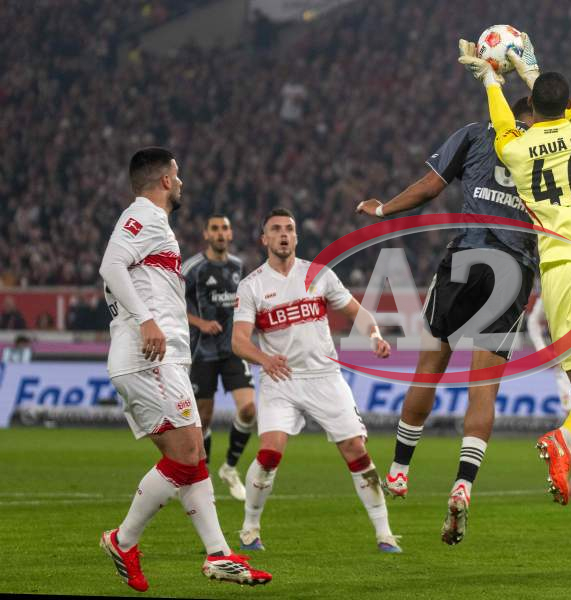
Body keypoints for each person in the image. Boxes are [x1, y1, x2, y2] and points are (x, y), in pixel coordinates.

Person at [460, 37, 571, 535]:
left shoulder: (515, 148)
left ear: (532, 110)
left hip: (555, 275)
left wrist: (491, 80)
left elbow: (503, 122)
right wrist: (528, 67)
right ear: (569, 102)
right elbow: (563, 107)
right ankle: (563, 439)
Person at [355, 76, 537, 545]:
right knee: (484, 387)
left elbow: (429, 187)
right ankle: (463, 484)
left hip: (468, 256)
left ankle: (399, 470)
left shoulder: (477, 133)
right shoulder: (548, 152)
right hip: (514, 269)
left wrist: (383, 210)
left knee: (430, 365)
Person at [98, 147, 271, 592]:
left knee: (193, 457)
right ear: (163, 181)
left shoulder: (155, 223)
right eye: (177, 175)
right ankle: (123, 540)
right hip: (147, 357)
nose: (181, 182)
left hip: (163, 357)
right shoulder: (143, 216)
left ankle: (218, 554)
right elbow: (110, 265)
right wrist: (146, 319)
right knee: (185, 455)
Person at [231, 207, 402, 553]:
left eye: (289, 229)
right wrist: (265, 359)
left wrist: (374, 336)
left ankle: (385, 534)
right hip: (281, 379)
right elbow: (238, 341)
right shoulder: (252, 285)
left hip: (325, 377)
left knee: (356, 450)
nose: (283, 234)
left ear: (296, 237)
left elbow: (358, 312)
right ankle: (250, 528)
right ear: (264, 239)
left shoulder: (319, 274)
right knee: (269, 453)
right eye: (275, 229)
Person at [183, 214, 255, 501]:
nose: (220, 233)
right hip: (203, 351)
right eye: (215, 228)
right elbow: (171, 304)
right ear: (206, 234)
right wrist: (200, 323)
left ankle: (230, 468)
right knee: (203, 418)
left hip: (234, 349)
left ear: (231, 234)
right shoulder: (193, 268)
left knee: (248, 410)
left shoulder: (239, 267)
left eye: (225, 228)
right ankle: (202, 478)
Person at [525, 293, 571, 503]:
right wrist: (542, 351)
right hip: (566, 367)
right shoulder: (553, 287)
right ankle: (568, 476)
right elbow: (533, 320)